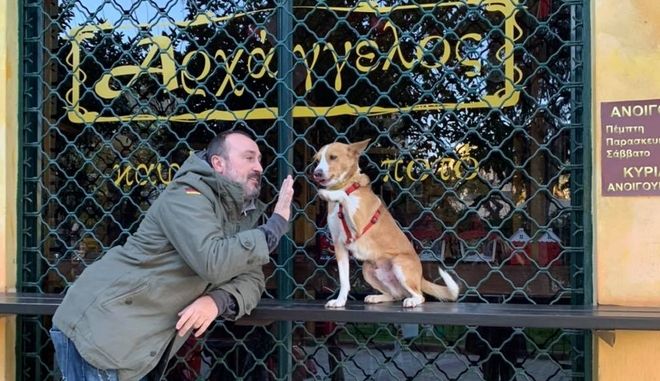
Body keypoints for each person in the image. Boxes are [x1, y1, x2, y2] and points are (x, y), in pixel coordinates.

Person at [50, 130, 294, 381]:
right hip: (101, 329)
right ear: (218, 164)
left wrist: (217, 300)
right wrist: (273, 228)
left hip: (138, 345)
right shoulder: (187, 196)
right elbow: (212, 260)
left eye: (260, 160)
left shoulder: (242, 216)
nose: (259, 167)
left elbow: (252, 280)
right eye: (249, 158)